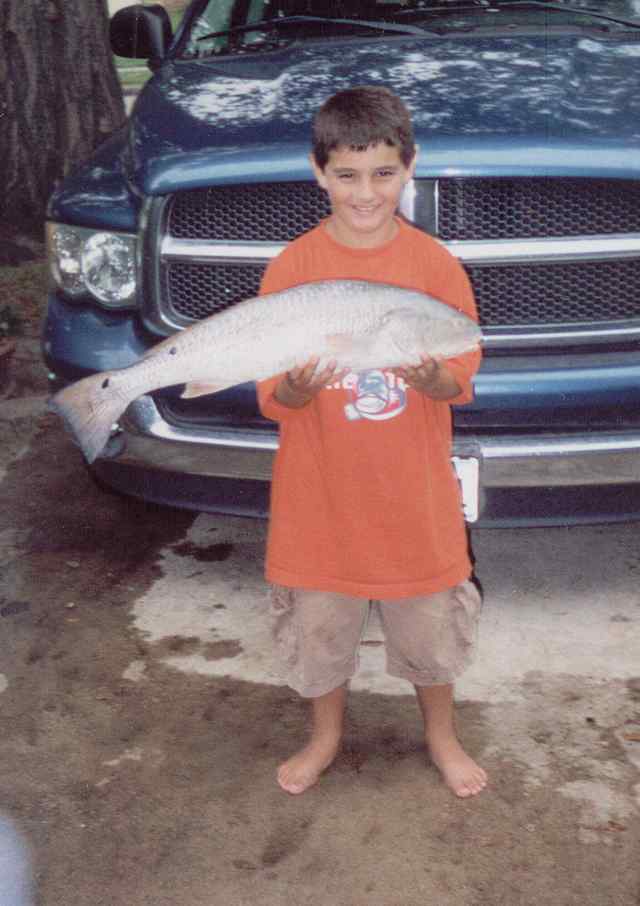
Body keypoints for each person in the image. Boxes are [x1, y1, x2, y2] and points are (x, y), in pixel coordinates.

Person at [257, 86, 487, 798]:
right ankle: (325, 736)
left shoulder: (435, 267)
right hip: (318, 501)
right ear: (319, 171)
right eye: (348, 174)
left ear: (408, 168)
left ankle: (441, 735)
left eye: (383, 173)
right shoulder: (292, 267)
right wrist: (294, 387)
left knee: (428, 628)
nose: (366, 192)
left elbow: (462, 368)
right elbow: (275, 394)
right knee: (322, 627)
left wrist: (431, 378)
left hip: (412, 501)